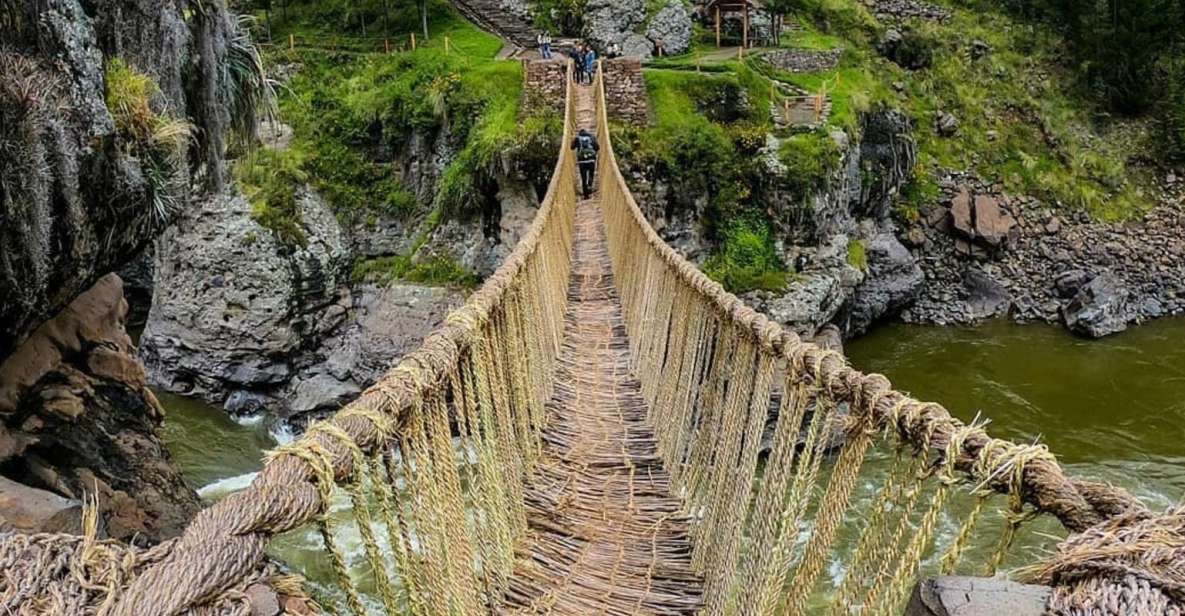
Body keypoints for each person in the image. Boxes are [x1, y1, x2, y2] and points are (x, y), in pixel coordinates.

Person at [571, 128, 600, 198]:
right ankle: (589, 185)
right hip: (591, 160)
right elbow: (597, 147)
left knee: (583, 178)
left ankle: (586, 195)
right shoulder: (592, 137)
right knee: (591, 174)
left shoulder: (577, 138)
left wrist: (573, 141)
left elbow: (572, 147)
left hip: (582, 161)